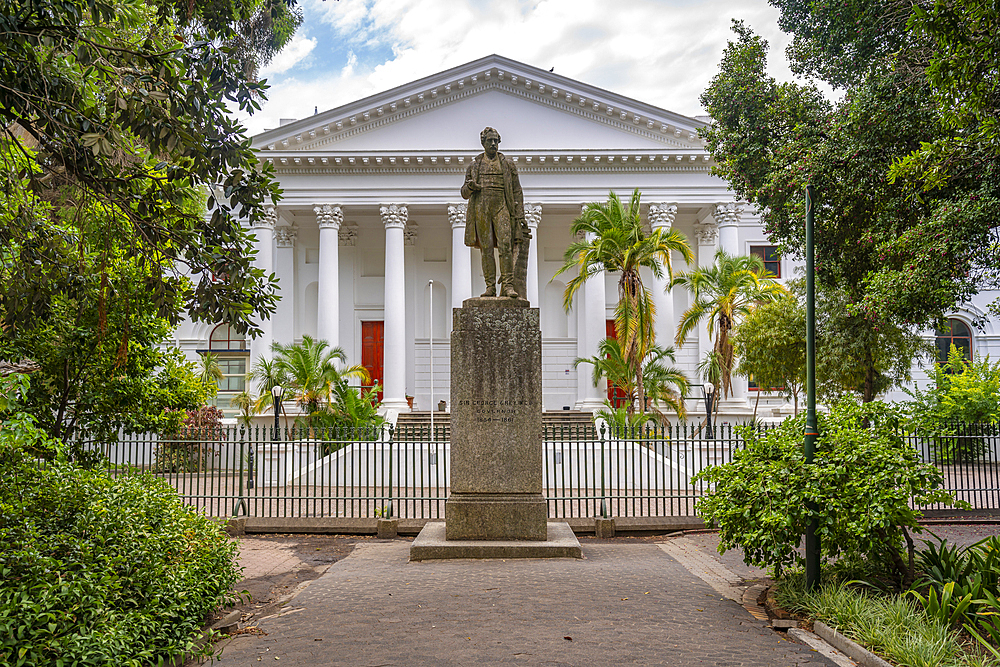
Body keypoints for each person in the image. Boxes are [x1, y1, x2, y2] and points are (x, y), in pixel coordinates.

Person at [461, 127, 527, 298]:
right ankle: (490, 286)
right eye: (489, 140)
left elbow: (517, 191)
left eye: (495, 141)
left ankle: (508, 285)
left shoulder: (507, 165)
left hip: (502, 206)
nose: (493, 144)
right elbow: (464, 193)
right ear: (483, 142)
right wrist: (470, 187)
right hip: (481, 208)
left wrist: (520, 215)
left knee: (506, 246)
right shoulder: (475, 166)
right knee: (486, 248)